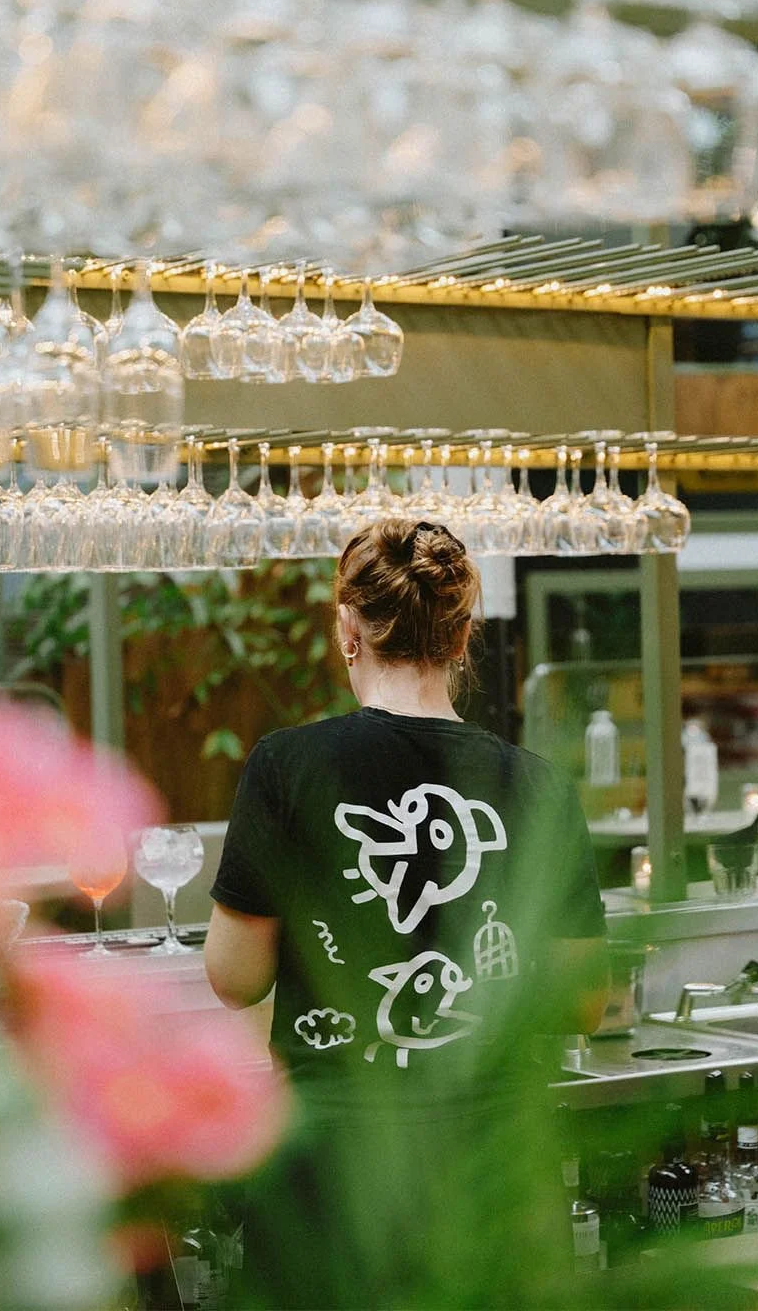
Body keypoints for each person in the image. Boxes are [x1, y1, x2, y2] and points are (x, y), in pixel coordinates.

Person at [205, 518, 609, 1310]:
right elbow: (585, 1001)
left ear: (348, 631)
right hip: (493, 1177)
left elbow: (234, 977)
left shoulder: (287, 766)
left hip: (333, 1178)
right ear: (462, 639)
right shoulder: (537, 786)